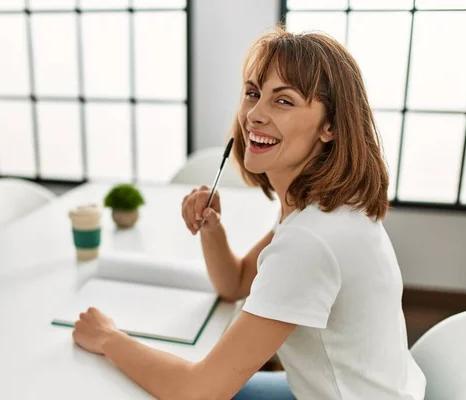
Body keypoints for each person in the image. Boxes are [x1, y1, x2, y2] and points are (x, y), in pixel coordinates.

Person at [71, 27, 427, 400]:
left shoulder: (312, 239)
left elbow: (199, 392)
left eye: (283, 101)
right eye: (253, 94)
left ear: (330, 126)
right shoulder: (320, 206)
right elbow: (236, 283)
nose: (254, 115)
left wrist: (108, 338)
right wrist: (212, 230)